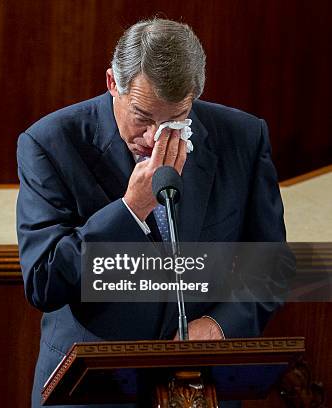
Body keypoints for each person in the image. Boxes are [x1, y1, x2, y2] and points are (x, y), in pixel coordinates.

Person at [16, 18, 292, 408]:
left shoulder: (242, 137)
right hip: (90, 389)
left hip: (200, 387)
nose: (155, 138)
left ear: (194, 96)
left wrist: (219, 325)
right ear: (113, 83)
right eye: (143, 117)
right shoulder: (49, 143)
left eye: (175, 120)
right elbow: (44, 282)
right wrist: (131, 209)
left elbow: (270, 265)